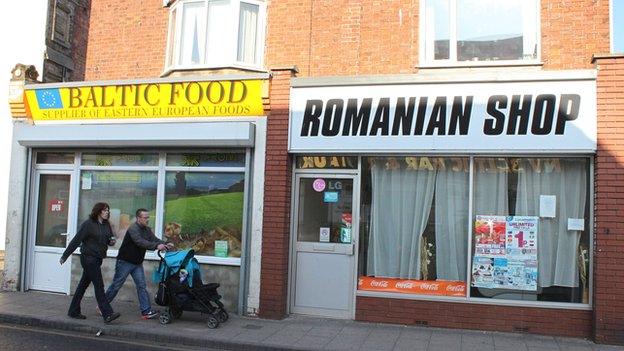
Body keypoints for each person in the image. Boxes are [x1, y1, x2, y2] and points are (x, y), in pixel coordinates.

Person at [104, 208, 173, 319]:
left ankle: (146, 311)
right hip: (125, 262)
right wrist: (156, 246)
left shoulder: (147, 230)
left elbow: (154, 239)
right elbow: (140, 242)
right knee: (116, 285)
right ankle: (103, 306)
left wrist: (165, 243)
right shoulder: (133, 229)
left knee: (141, 286)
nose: (147, 220)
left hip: (137, 263)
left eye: (148, 217)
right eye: (145, 217)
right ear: (138, 218)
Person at [59, 202, 121, 323]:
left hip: (98, 258)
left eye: (108, 210)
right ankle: (107, 313)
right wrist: (65, 255)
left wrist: (111, 241)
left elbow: (109, 239)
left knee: (83, 284)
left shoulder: (106, 225)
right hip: (88, 258)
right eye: (104, 210)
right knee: (99, 285)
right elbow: (77, 240)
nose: (107, 212)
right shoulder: (88, 224)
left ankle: (73, 311)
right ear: (98, 211)